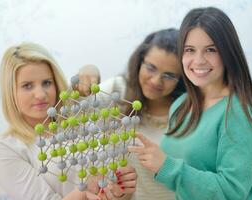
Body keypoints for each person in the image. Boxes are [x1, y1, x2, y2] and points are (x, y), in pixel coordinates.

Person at [129, 7, 252, 200]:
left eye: (211, 50)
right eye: (190, 50)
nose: (198, 60)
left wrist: (166, 166)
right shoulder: (180, 105)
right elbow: (182, 183)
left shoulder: (238, 112)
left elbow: (232, 192)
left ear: (228, 52)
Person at [0, 42, 136, 200]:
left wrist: (119, 191)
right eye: (27, 86)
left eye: (46, 82)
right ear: (11, 91)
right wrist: (86, 190)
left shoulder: (79, 119)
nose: (40, 94)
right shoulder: (5, 148)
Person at [79, 28, 186, 200]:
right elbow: (69, 111)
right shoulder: (117, 91)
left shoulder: (187, 111)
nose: (155, 81)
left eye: (169, 76)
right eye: (151, 68)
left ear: (181, 78)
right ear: (140, 61)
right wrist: (88, 70)